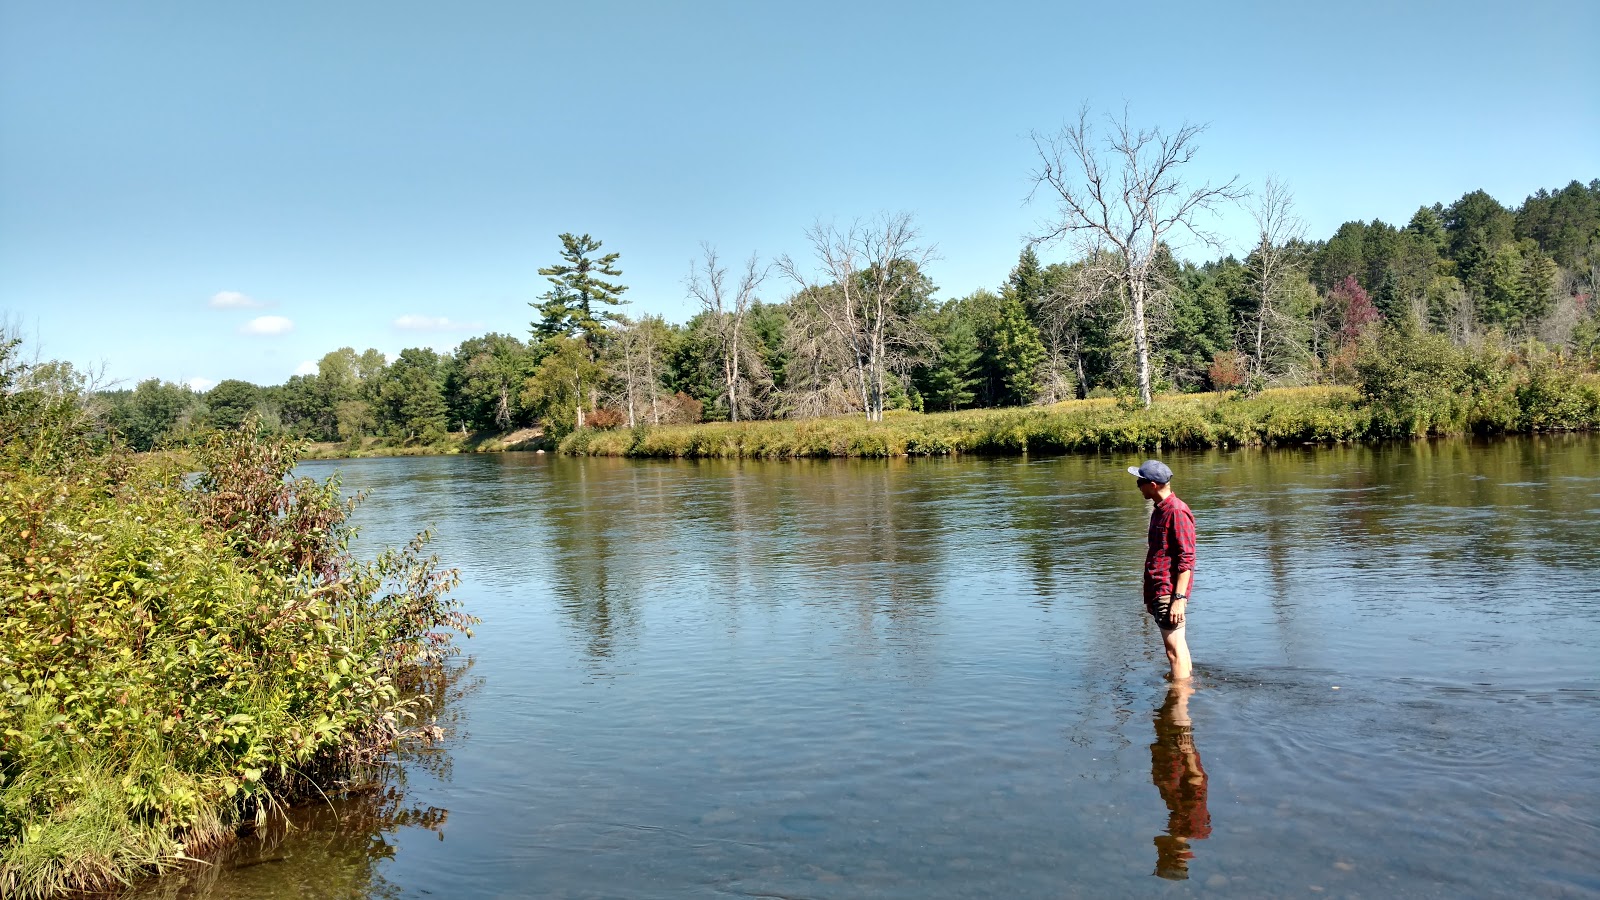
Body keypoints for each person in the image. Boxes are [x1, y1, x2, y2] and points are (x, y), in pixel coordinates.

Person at [1128, 459, 1195, 680]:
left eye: (1140, 481)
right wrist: (1150, 597)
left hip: (1169, 591)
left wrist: (1178, 599)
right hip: (1161, 591)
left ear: (1153, 485)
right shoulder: (1160, 510)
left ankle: (1178, 703)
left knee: (1173, 652)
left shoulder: (1176, 511)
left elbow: (1186, 560)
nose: (1138, 485)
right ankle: (1184, 696)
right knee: (1178, 649)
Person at [1149, 682, 1211, 880]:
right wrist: (1189, 752)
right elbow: (1196, 781)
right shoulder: (1192, 825)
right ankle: (1183, 681)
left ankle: (1181, 680)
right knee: (1177, 700)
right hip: (1178, 750)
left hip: (1172, 753)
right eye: (1161, 854)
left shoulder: (1182, 823)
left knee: (1173, 701)